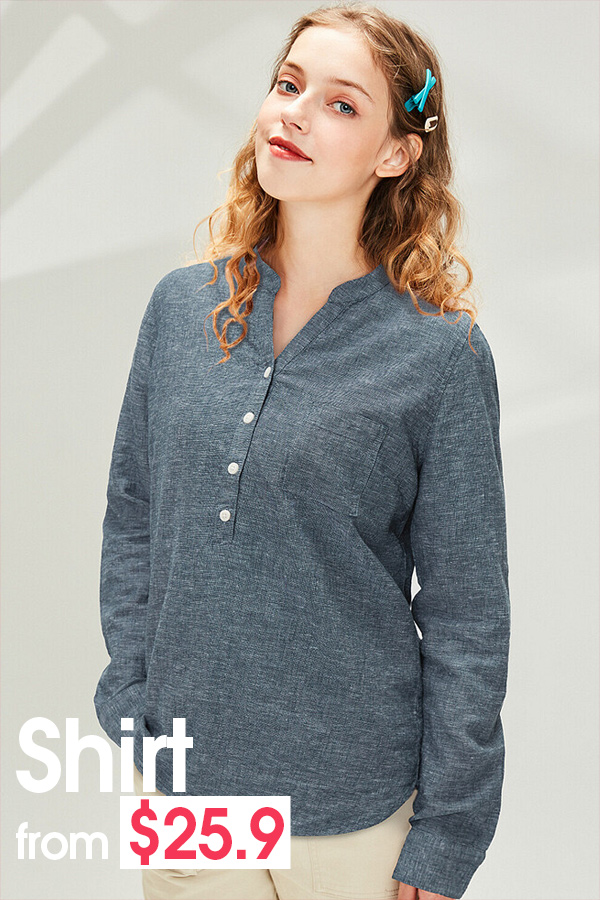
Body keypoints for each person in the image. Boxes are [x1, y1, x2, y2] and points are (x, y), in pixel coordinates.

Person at [94, 3, 511, 900]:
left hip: (358, 808)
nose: (294, 113)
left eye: (341, 104)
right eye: (288, 85)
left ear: (395, 154)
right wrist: (133, 706)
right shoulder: (180, 310)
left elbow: (469, 618)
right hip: (186, 792)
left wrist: (447, 837)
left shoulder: (439, 356)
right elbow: (134, 519)